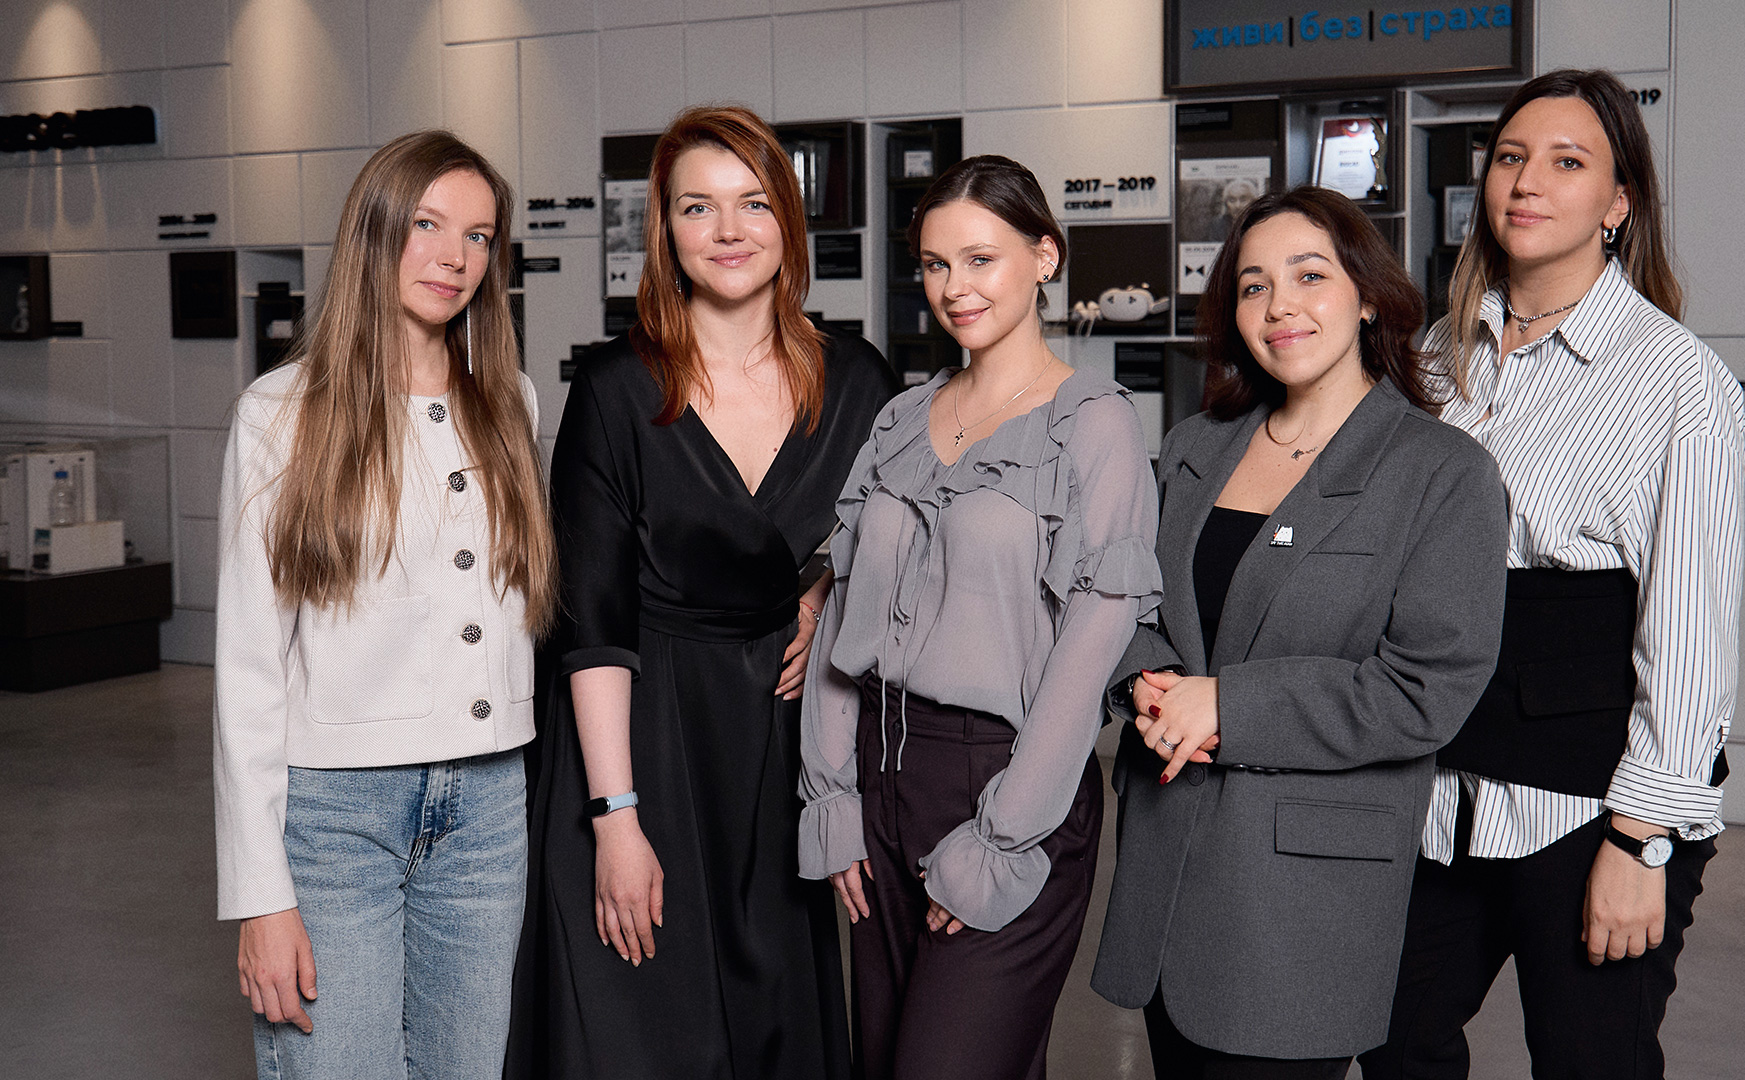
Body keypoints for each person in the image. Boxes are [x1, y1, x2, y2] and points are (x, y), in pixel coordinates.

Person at [1357, 69, 1745, 1080]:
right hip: (1440, 789)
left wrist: (1642, 841)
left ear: (1619, 203)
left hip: (1589, 802)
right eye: (1512, 158)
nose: (1528, 182)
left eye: (1568, 162)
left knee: (1589, 1062)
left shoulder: (1676, 379)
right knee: (1390, 1043)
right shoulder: (1434, 360)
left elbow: (1690, 635)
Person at [505, 105, 896, 1080]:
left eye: (753, 203)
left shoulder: (858, 383)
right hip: (641, 739)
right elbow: (591, 625)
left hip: (778, 739)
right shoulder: (614, 389)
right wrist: (614, 818)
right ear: (666, 230)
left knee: (771, 1029)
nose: (728, 230)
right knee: (644, 1027)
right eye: (697, 207)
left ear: (789, 221)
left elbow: (908, 543)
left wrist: (826, 589)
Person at [1088, 186, 1509, 1078]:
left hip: (1297, 901)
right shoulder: (1193, 447)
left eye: (1309, 276)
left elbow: (1424, 690)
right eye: (1254, 286)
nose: (1280, 305)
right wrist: (1144, 682)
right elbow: (1130, 603)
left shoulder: (1441, 473)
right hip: (1166, 867)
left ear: (1367, 297)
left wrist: (1226, 707)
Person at [797, 155, 1161, 1079]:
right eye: (934, 264)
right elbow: (844, 620)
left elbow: (1088, 655)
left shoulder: (1096, 425)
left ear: (1045, 256)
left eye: (980, 259)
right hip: (881, 776)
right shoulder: (899, 419)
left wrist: (1002, 836)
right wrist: (832, 796)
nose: (954, 287)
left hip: (1008, 785)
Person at [214, 129, 556, 1077]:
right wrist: (261, 895)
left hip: (488, 806)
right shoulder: (281, 413)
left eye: (479, 236)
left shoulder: (511, 402)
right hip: (336, 817)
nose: (455, 258)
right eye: (427, 225)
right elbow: (248, 668)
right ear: (373, 231)